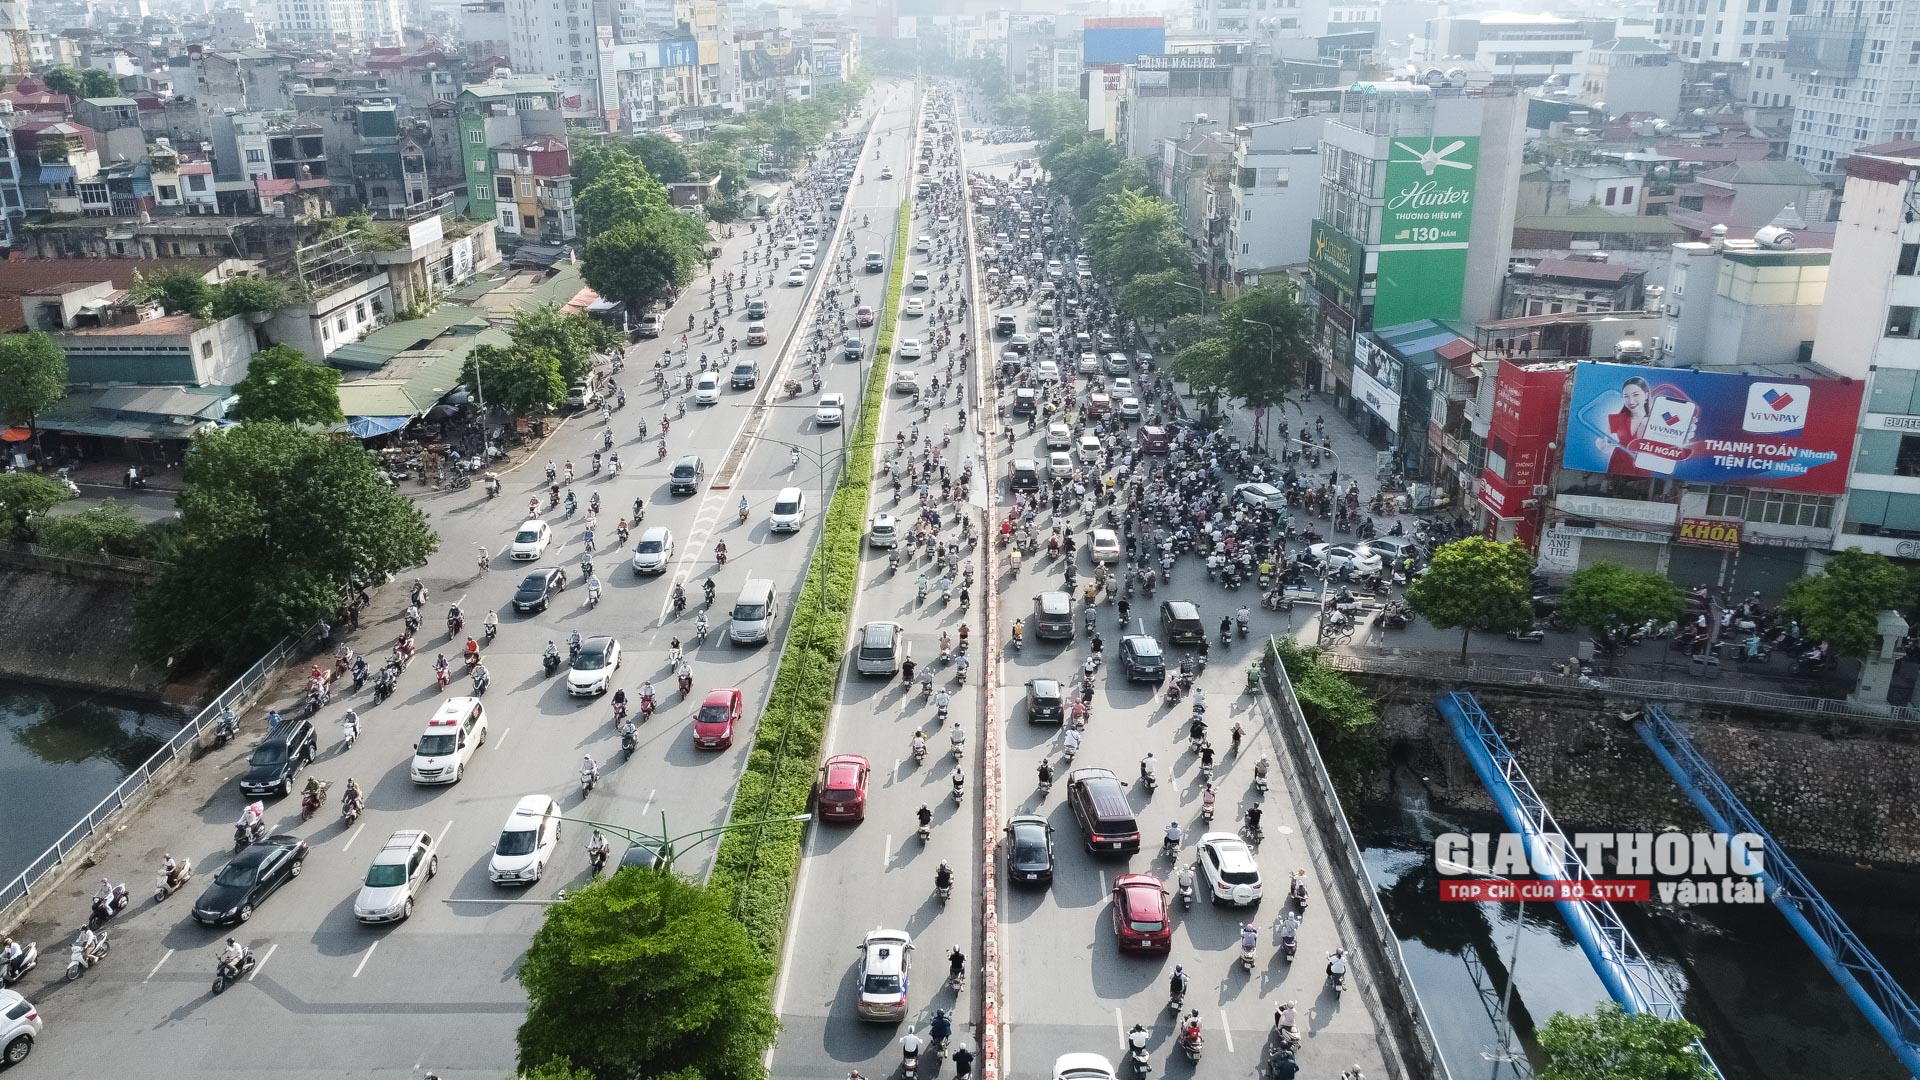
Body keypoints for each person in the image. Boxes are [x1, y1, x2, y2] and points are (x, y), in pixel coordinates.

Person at [1601, 375, 1657, 475]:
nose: (1631, 401)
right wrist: (1603, 445)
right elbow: (1602, 438)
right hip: (1618, 465)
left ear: (1646, 395)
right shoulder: (1618, 419)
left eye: (1635, 395)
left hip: (1641, 467)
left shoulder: (1655, 422)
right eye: (1626, 396)